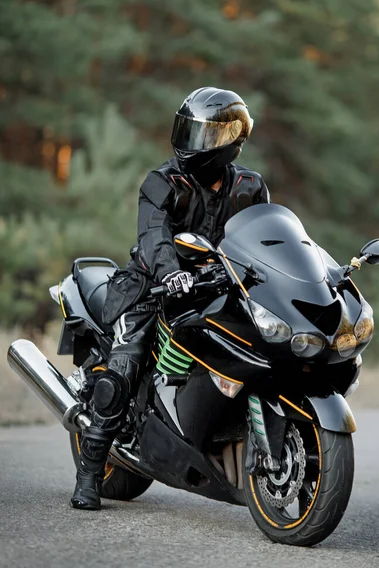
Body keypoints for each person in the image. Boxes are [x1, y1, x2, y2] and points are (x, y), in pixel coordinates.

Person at [70, 86, 270, 510]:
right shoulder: (162, 183)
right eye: (190, 130)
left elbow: (268, 237)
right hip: (151, 286)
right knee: (125, 364)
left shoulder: (250, 186)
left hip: (219, 286)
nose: (193, 142)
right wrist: (172, 272)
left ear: (231, 139)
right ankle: (88, 474)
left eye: (205, 134)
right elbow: (153, 236)